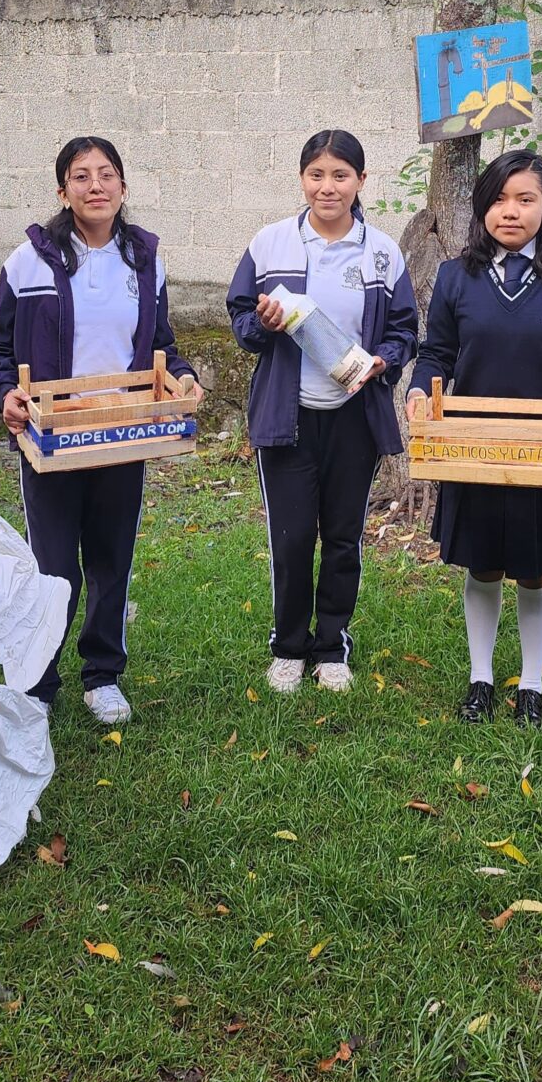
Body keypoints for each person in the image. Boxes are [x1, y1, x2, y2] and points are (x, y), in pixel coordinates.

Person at [0, 136, 202, 725]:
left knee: (111, 559)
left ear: (123, 187)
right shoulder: (28, 262)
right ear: (63, 192)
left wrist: (182, 377)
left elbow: (161, 344)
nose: (95, 185)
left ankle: (102, 675)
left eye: (106, 174)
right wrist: (5, 394)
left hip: (123, 435)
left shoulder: (144, 260)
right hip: (53, 438)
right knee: (52, 568)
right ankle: (39, 680)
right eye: (81, 176)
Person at [408, 150, 542, 727]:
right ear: (482, 207)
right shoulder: (457, 278)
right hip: (473, 447)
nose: (510, 211)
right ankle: (480, 679)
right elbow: (436, 354)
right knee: (483, 565)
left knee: (534, 568)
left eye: (526, 199)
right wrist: (420, 391)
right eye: (498, 199)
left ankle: (532, 683)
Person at [228, 129, 419, 694]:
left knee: (343, 536)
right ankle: (289, 647)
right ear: (302, 178)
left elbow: (405, 329)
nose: (327, 187)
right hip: (286, 419)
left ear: (361, 181)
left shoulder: (381, 252)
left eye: (340, 175)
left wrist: (384, 360)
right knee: (290, 540)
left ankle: (332, 646)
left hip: (353, 417)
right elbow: (240, 318)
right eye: (316, 175)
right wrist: (261, 325)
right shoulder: (271, 244)